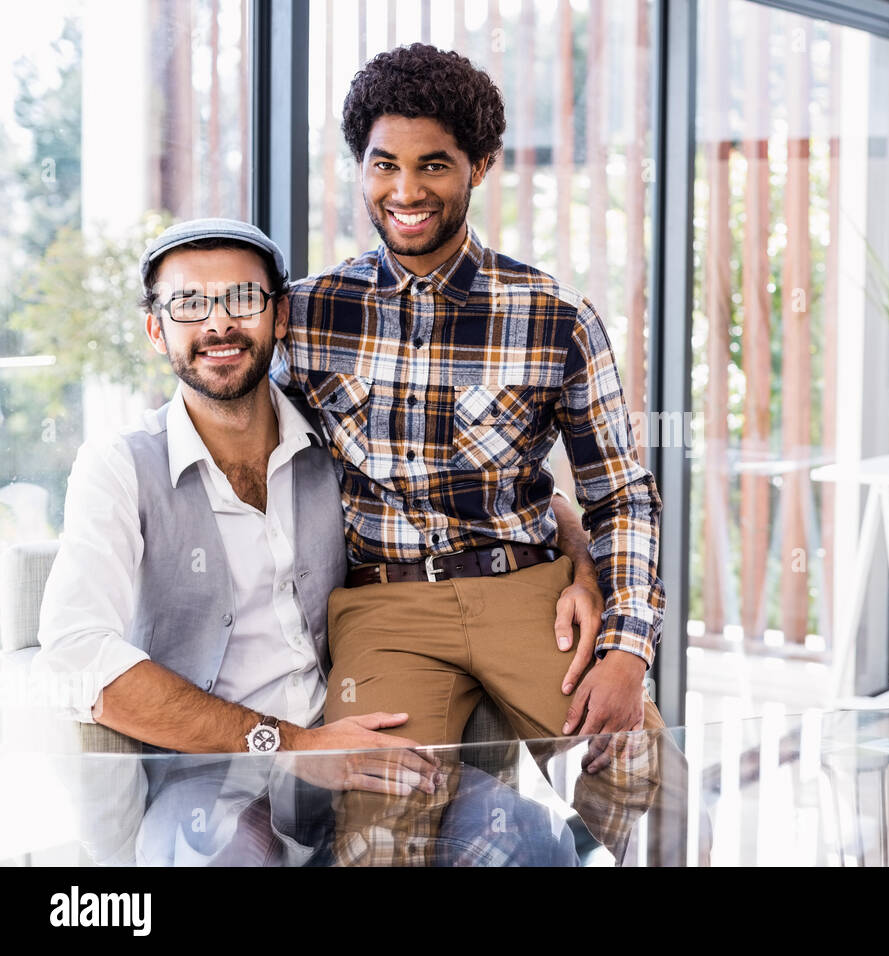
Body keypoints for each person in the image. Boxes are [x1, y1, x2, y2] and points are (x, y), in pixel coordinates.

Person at [33, 218, 592, 865]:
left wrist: (581, 564)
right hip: (208, 780)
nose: (218, 323)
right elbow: (76, 652)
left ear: (281, 315)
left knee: (533, 841)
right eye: (189, 303)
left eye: (243, 297)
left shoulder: (345, 428)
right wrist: (292, 744)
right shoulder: (119, 466)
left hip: (366, 744)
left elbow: (506, 495)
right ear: (157, 328)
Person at [276, 43, 700, 865]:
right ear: (358, 167)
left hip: (529, 597)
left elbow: (623, 497)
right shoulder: (308, 314)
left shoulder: (555, 317)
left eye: (434, 164)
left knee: (668, 811)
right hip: (385, 612)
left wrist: (625, 646)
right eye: (383, 165)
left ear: (481, 166)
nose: (406, 192)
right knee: (377, 838)